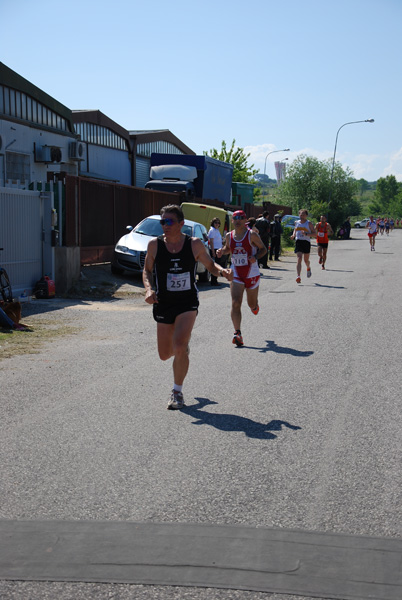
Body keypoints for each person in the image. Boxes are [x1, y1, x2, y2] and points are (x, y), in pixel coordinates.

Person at [143, 204, 233, 410]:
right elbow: (147, 271)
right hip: (164, 302)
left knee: (180, 345)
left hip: (187, 302)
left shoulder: (194, 244)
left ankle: (177, 392)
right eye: (162, 221)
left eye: (169, 221)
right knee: (165, 354)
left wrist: (223, 272)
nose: (165, 225)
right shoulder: (154, 245)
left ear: (181, 223)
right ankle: (181, 349)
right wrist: (149, 289)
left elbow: (211, 266)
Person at [217, 210, 267, 347]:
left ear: (245, 220)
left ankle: (255, 306)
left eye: (240, 218)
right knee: (235, 302)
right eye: (235, 218)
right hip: (237, 273)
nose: (237, 220)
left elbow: (264, 249)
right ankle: (237, 333)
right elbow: (228, 248)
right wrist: (222, 251)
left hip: (251, 273)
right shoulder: (229, 236)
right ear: (232, 221)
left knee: (251, 304)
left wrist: (255, 257)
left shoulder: (252, 235)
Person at [291, 209, 316, 283]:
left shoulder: (309, 223)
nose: (302, 216)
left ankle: (308, 267)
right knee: (299, 258)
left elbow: (315, 234)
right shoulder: (297, 222)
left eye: (303, 214)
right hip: (298, 241)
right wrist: (293, 235)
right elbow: (295, 230)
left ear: (306, 216)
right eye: (301, 214)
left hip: (306, 242)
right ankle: (298, 276)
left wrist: (306, 234)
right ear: (299, 215)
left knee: (306, 260)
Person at [207, 217, 224, 287]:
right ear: (213, 223)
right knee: (215, 266)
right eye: (215, 223)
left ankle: (215, 280)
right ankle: (213, 281)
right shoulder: (212, 230)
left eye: (218, 223)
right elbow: (211, 242)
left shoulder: (217, 230)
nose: (217, 224)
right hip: (214, 250)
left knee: (217, 265)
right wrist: (213, 252)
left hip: (218, 250)